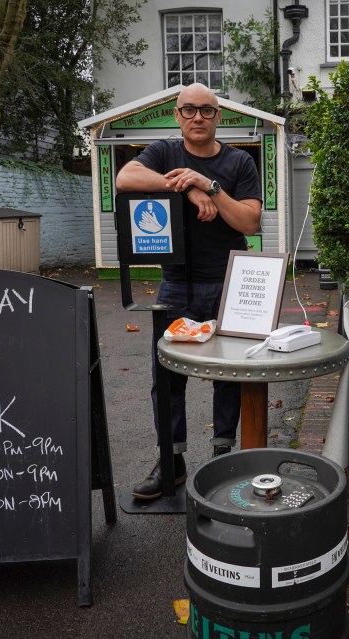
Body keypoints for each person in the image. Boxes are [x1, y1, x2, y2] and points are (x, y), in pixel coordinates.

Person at [115, 83, 262, 499]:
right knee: (167, 377)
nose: (198, 117)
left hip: (226, 283)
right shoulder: (163, 152)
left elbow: (248, 223)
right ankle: (172, 459)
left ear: (219, 117)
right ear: (177, 116)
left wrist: (211, 186)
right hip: (175, 283)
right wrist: (189, 186)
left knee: (230, 375)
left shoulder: (238, 162)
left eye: (207, 110)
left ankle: (222, 457)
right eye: (189, 110)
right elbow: (127, 177)